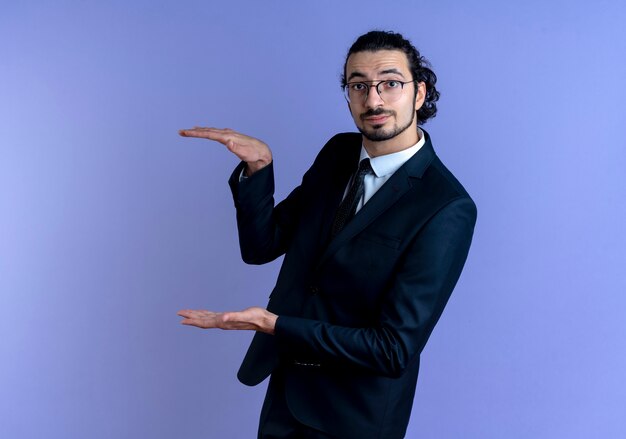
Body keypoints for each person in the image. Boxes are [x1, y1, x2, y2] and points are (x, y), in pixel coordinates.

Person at [178, 30, 477, 439]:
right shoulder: (338, 153)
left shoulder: (445, 207)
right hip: (287, 396)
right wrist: (259, 169)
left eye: (390, 83)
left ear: (419, 93)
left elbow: (393, 350)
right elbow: (262, 246)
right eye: (359, 86)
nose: (373, 100)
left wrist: (276, 325)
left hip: (353, 415)